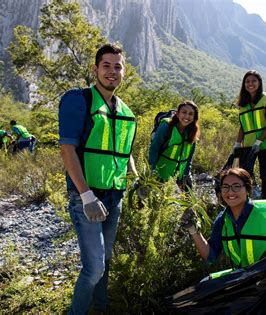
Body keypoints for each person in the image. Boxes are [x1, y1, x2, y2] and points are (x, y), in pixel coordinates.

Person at [58, 43, 138, 314]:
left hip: (115, 197)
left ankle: (100, 308)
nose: (112, 72)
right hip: (87, 195)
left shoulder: (126, 111)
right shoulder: (78, 99)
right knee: (94, 268)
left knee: (106, 260)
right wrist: (86, 195)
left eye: (118, 66)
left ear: (124, 71)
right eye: (106, 65)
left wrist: (135, 179)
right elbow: (67, 149)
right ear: (95, 69)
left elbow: (125, 152)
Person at [182, 167, 266, 304]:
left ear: (247, 189)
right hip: (245, 280)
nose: (230, 192)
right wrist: (193, 230)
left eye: (236, 186)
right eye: (225, 187)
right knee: (205, 285)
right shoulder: (222, 220)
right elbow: (210, 256)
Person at [232, 70, 266, 199]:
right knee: (245, 172)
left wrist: (259, 141)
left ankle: (265, 200)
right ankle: (249, 197)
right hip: (248, 144)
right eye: (247, 81)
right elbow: (243, 126)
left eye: (254, 81)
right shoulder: (242, 103)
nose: (250, 84)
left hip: (265, 143)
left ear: (259, 83)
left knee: (265, 174)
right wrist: (237, 143)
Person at [148, 101, 200, 190]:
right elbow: (154, 149)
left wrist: (186, 175)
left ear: (194, 117)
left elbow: (189, 157)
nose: (187, 116)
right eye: (184, 112)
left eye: (191, 114)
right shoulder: (166, 127)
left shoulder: (192, 132)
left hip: (179, 173)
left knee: (189, 200)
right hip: (160, 172)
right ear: (177, 113)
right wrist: (151, 170)